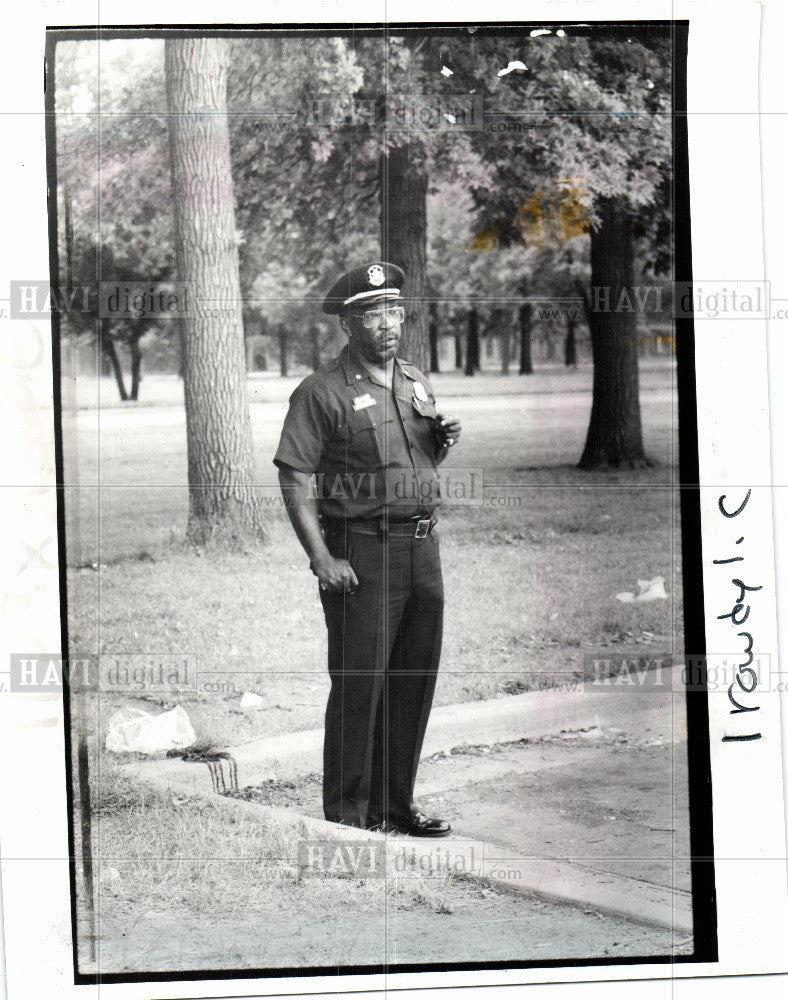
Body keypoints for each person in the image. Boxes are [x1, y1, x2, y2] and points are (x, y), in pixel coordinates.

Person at [274, 262, 462, 837]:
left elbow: (416, 462)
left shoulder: (413, 380)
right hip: (363, 552)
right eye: (372, 313)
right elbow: (295, 477)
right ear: (348, 323)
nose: (387, 323)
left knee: (412, 679)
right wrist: (321, 558)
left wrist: (441, 443)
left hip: (421, 548)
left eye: (393, 310)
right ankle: (350, 818)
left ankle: (395, 805)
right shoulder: (321, 392)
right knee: (361, 683)